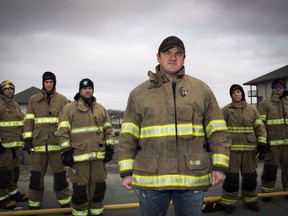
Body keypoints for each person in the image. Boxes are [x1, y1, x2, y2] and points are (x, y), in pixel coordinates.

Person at [118, 36, 232, 216]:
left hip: (192, 177)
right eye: (167, 53)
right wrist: (126, 171)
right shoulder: (139, 94)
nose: (173, 57)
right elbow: (127, 137)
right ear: (158, 57)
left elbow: (217, 131)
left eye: (178, 53)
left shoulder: (201, 90)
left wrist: (219, 165)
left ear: (184, 58)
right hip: (150, 179)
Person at [57, 78, 114, 216]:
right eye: (84, 88)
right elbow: (62, 131)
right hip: (79, 157)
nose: (87, 90)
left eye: (90, 88)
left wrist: (110, 147)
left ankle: (96, 212)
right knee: (80, 189)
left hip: (98, 156)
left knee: (98, 187)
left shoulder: (100, 109)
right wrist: (66, 152)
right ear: (80, 90)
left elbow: (108, 130)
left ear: (93, 90)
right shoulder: (69, 109)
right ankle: (80, 213)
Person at [22, 72, 71, 210]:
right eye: (46, 82)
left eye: (51, 82)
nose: (49, 84)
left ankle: (64, 202)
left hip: (56, 145)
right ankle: (34, 204)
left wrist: (66, 144)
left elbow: (66, 122)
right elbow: (29, 120)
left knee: (60, 177)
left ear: (54, 83)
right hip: (38, 146)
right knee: (36, 177)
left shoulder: (62, 99)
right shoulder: (33, 99)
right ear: (43, 83)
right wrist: (27, 138)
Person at [215, 84, 267, 214]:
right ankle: (228, 203)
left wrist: (262, 144)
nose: (235, 94)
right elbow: (220, 129)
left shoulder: (252, 110)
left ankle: (250, 201)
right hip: (232, 151)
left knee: (250, 177)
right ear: (231, 95)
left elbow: (259, 127)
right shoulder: (226, 110)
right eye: (233, 93)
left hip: (249, 151)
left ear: (242, 93)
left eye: (238, 92)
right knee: (231, 179)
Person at [258, 79, 288, 201]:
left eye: (281, 86)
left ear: (284, 88)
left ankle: (287, 191)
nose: (279, 88)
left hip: (287, 145)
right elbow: (260, 124)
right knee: (270, 170)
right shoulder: (265, 103)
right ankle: (267, 192)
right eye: (276, 86)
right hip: (272, 145)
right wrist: (263, 142)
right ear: (272, 88)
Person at [0, 80, 28, 209]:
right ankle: (2, 198)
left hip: (15, 145)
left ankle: (13, 192)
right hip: (3, 147)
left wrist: (27, 138)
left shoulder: (15, 105)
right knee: (4, 173)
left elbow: (23, 122)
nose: (10, 91)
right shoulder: (0, 104)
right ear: (2, 91)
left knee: (14, 171)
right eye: (7, 89)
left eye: (12, 89)